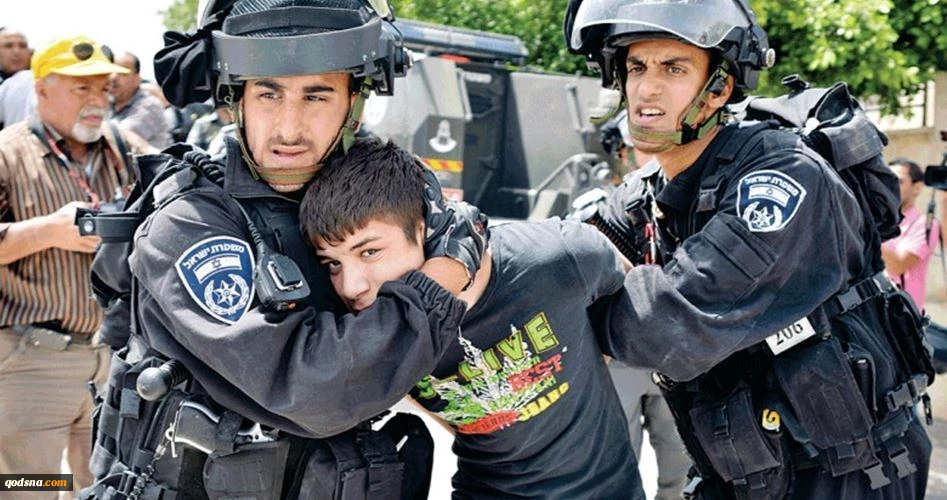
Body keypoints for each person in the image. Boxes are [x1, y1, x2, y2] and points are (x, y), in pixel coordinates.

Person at [83, 0, 486, 498]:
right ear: (235, 99)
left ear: (355, 103)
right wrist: (444, 276)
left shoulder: (377, 197)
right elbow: (314, 391)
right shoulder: (190, 224)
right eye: (268, 94)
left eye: (316, 96)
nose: (288, 129)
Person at [566, 0, 932, 498]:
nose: (647, 88)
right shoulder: (651, 190)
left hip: (849, 471)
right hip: (746, 465)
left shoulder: (782, 176)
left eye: (673, 69)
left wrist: (574, 320)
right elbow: (569, 251)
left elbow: (670, 322)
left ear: (718, 88)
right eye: (636, 67)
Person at [299, 136, 645, 499]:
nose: (351, 285)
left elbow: (629, 296)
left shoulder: (554, 255)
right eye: (333, 263)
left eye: (370, 252)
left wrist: (584, 363)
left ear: (422, 227)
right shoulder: (370, 326)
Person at [0, 35, 151, 496]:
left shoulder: (125, 147)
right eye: (81, 87)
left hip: (113, 361)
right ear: (42, 90)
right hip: (33, 363)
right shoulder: (7, 154)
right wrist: (48, 231)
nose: (96, 100)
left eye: (103, 88)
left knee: (107, 487)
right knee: (31, 486)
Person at [597, 109, 691, 500]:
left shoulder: (690, 200)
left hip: (678, 356)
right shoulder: (598, 207)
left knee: (684, 472)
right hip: (619, 357)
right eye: (639, 143)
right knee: (615, 471)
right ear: (622, 152)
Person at [882, 158, 940, 312]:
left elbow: (897, 266)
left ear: (917, 187)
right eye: (887, 181)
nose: (891, 186)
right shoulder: (881, 221)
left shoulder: (925, 224)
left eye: (899, 181)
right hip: (871, 313)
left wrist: (870, 227)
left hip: (902, 316)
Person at [109, 50, 172, 149]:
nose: (113, 77)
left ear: (137, 79)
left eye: (122, 73)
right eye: (110, 71)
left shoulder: (150, 106)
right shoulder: (108, 102)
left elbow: (117, 136)